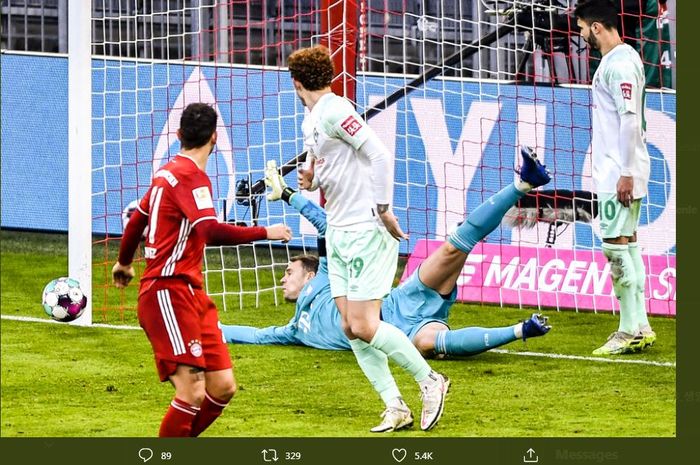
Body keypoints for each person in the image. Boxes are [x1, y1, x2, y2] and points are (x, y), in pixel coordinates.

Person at [221, 154, 553, 361]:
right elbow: (252, 334)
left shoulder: (324, 280)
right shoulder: (293, 329)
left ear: (309, 275)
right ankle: (521, 330)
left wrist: (290, 196)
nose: (283, 277)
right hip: (404, 334)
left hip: (399, 303)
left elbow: (326, 225)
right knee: (431, 344)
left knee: (455, 245)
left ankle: (524, 182)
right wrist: (214, 330)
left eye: (289, 270)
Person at [288, 44, 449, 432]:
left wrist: (382, 208)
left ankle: (430, 380)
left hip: (365, 229)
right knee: (349, 326)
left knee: (363, 324)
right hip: (339, 231)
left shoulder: (337, 110)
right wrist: (311, 178)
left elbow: (379, 154)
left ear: (296, 83)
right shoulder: (312, 120)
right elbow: (321, 161)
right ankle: (395, 405)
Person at [112, 103, 292, 437]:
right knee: (192, 391)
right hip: (167, 290)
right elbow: (209, 230)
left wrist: (124, 261)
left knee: (222, 386)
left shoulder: (166, 172)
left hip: (191, 293)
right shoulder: (190, 176)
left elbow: (137, 218)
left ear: (178, 135)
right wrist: (265, 231)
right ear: (214, 137)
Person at [574, 0, 655, 355]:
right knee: (629, 242)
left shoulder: (619, 64)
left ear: (595, 27)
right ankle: (641, 325)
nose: (580, 35)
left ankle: (627, 330)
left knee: (614, 247)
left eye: (581, 28)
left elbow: (628, 119)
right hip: (625, 167)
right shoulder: (627, 57)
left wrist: (625, 172)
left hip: (617, 171)